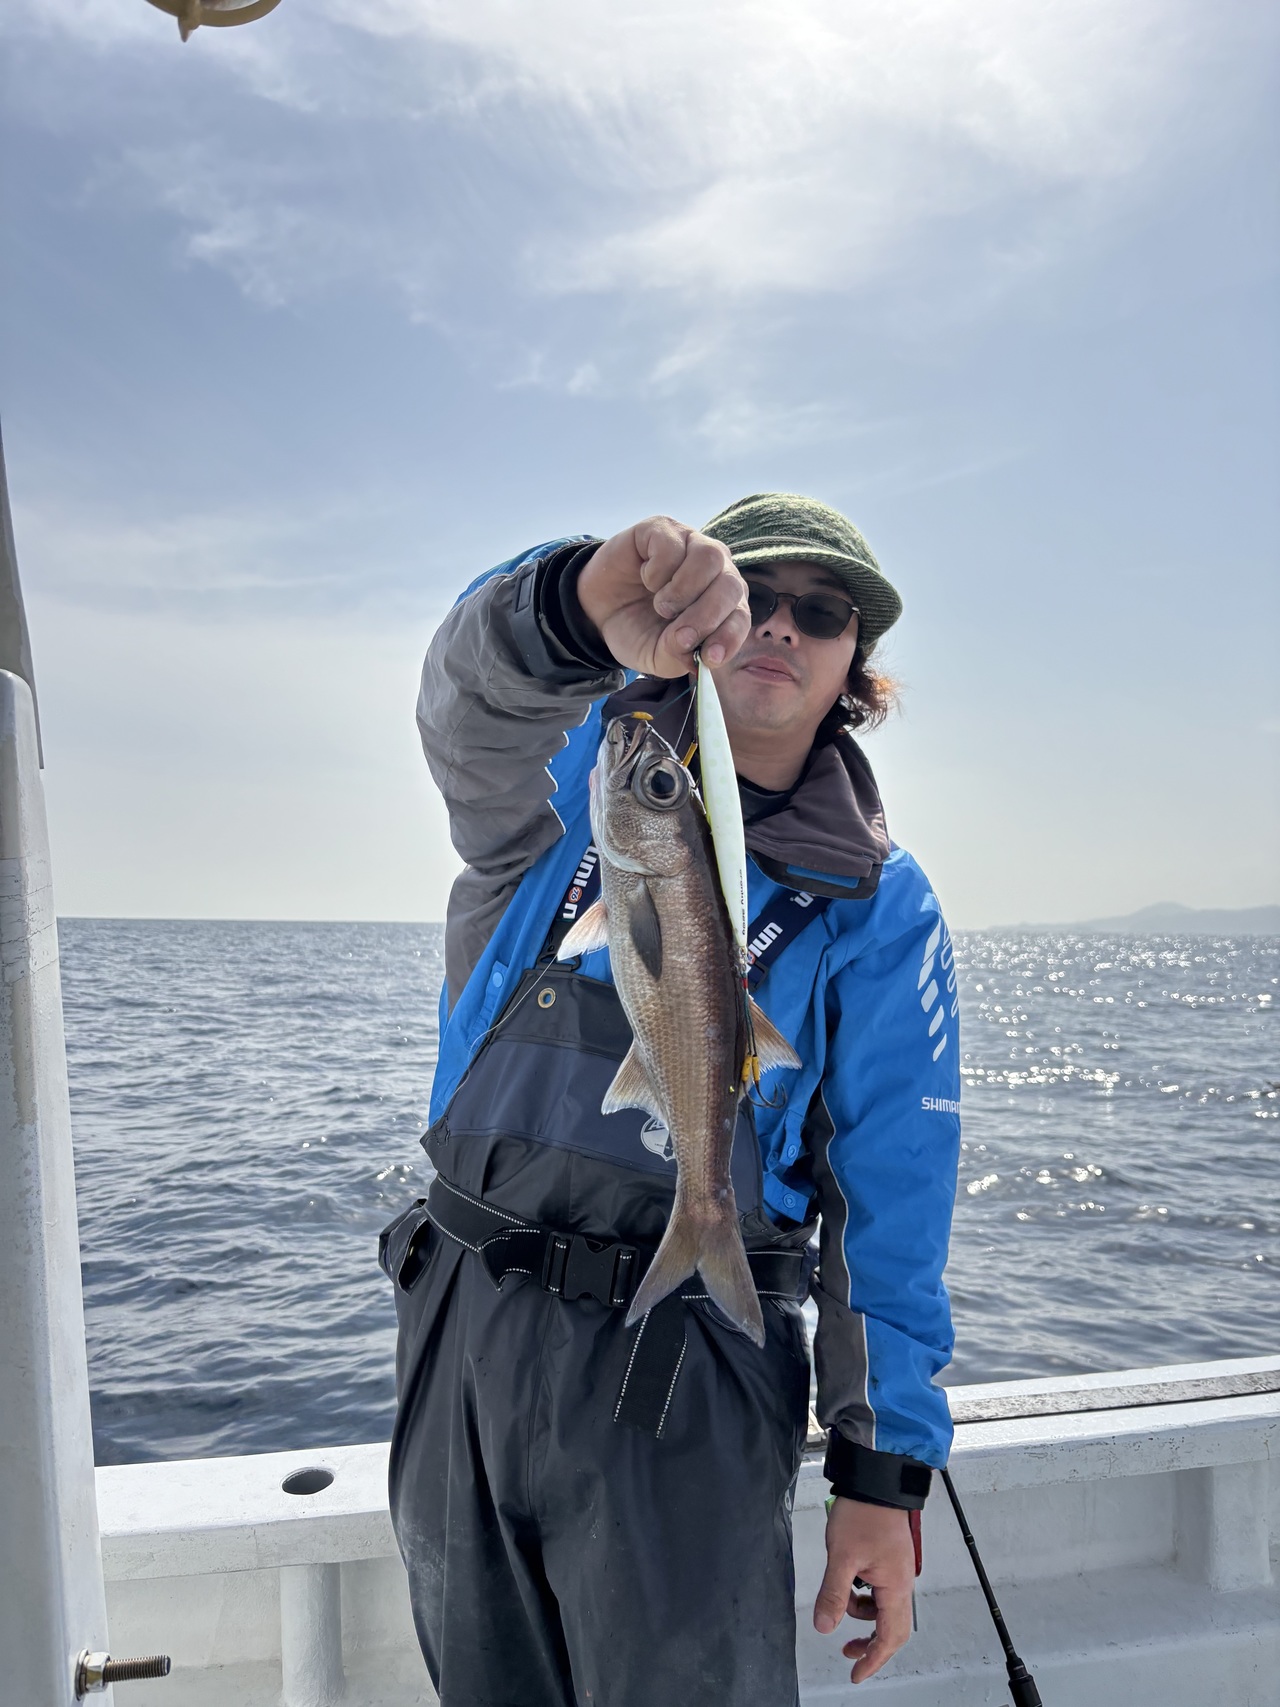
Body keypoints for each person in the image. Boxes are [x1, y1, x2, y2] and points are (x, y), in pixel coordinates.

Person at [382, 493, 961, 1706]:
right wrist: (567, 603)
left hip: (686, 1364)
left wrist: (879, 1472)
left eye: (823, 614)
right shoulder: (568, 783)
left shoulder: (877, 903)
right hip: (462, 1339)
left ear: (853, 666)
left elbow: (891, 1196)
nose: (782, 626)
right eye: (757, 597)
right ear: (695, 619)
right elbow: (465, 701)